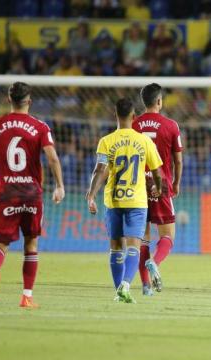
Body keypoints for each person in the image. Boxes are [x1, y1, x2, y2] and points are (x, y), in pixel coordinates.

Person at [0, 82, 65, 308]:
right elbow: (52, 158)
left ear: (9, 100)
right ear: (29, 101)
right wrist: (59, 185)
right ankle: (26, 296)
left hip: (6, 192)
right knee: (31, 244)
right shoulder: (40, 127)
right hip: (31, 193)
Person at [86, 98, 163, 303]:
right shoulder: (145, 141)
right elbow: (157, 172)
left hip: (113, 200)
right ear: (134, 117)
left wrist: (91, 194)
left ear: (115, 115)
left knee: (115, 248)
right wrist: (158, 187)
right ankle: (126, 286)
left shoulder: (106, 141)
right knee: (133, 247)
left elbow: (100, 170)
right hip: (137, 201)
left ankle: (118, 290)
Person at [133, 83, 183, 296]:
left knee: (142, 238)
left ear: (144, 102)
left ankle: (145, 287)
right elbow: (178, 160)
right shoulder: (171, 125)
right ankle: (155, 262)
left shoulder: (134, 124)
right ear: (159, 101)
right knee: (168, 235)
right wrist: (177, 183)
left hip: (137, 187)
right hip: (161, 184)